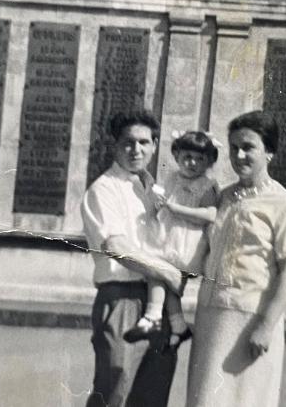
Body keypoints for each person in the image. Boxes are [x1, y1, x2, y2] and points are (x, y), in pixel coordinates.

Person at [186, 111, 286, 407]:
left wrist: (265, 326)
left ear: (270, 152)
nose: (239, 155)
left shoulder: (285, 205)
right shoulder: (221, 197)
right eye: (235, 147)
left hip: (251, 321)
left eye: (249, 147)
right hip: (212, 318)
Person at [81, 110, 186, 407]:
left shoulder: (155, 190)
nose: (136, 150)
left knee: (153, 395)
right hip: (121, 299)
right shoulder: (103, 189)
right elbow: (117, 246)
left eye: (144, 142)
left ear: (154, 146)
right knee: (114, 390)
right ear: (114, 145)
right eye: (128, 142)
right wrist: (168, 272)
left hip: (159, 302)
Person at [124, 130, 221, 348]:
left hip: (186, 243)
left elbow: (210, 215)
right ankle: (177, 326)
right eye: (187, 157)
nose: (192, 163)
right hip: (166, 236)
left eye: (200, 159)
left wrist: (177, 209)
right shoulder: (172, 178)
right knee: (159, 275)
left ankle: (153, 316)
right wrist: (158, 203)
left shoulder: (207, 185)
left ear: (209, 161)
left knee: (167, 280)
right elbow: (164, 201)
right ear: (176, 156)